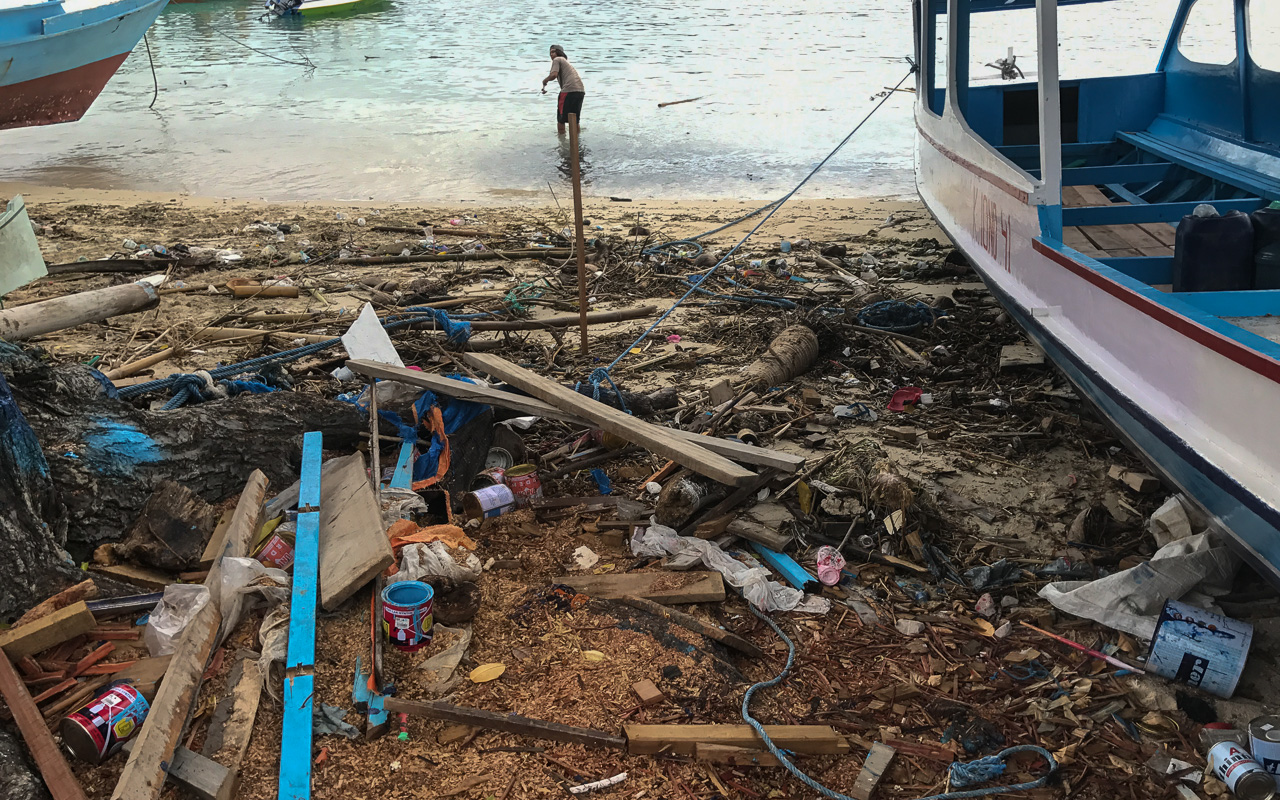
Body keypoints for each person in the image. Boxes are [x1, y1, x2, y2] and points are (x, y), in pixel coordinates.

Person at [541, 45, 585, 136]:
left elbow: (553, 75)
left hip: (568, 90)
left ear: (559, 52)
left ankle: (562, 145)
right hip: (580, 91)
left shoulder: (557, 60)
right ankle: (577, 143)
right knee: (575, 120)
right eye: (550, 53)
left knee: (561, 120)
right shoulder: (566, 63)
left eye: (553, 52)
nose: (551, 55)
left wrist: (545, 80)